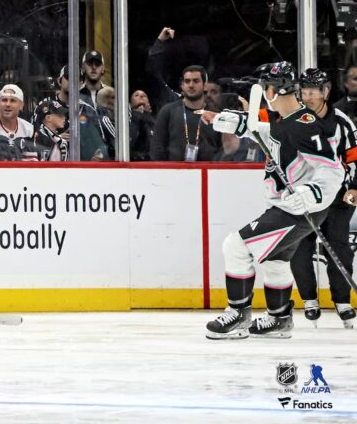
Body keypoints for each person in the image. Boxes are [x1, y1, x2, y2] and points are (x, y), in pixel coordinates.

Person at [202, 61, 344, 339]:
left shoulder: (304, 125)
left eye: (265, 87)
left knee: (236, 246)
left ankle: (238, 316)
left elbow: (332, 169)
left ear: (272, 90)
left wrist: (310, 194)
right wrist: (225, 120)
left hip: (299, 210)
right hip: (293, 207)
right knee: (275, 261)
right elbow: (269, 135)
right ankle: (279, 319)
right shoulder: (289, 121)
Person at [289, 68, 357, 328]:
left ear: (326, 92)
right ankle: (309, 300)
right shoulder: (292, 120)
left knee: (339, 247)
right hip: (303, 197)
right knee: (299, 248)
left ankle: (342, 301)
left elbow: (355, 157)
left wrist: (355, 188)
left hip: (337, 197)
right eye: (304, 92)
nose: (309, 97)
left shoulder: (342, 122)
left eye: (314, 92)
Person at [150, 65, 221, 161]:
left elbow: (223, 149)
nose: (191, 85)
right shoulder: (167, 111)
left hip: (208, 172)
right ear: (182, 85)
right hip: (174, 172)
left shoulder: (214, 114)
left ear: (205, 85)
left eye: (196, 81)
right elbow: (157, 147)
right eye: (187, 81)